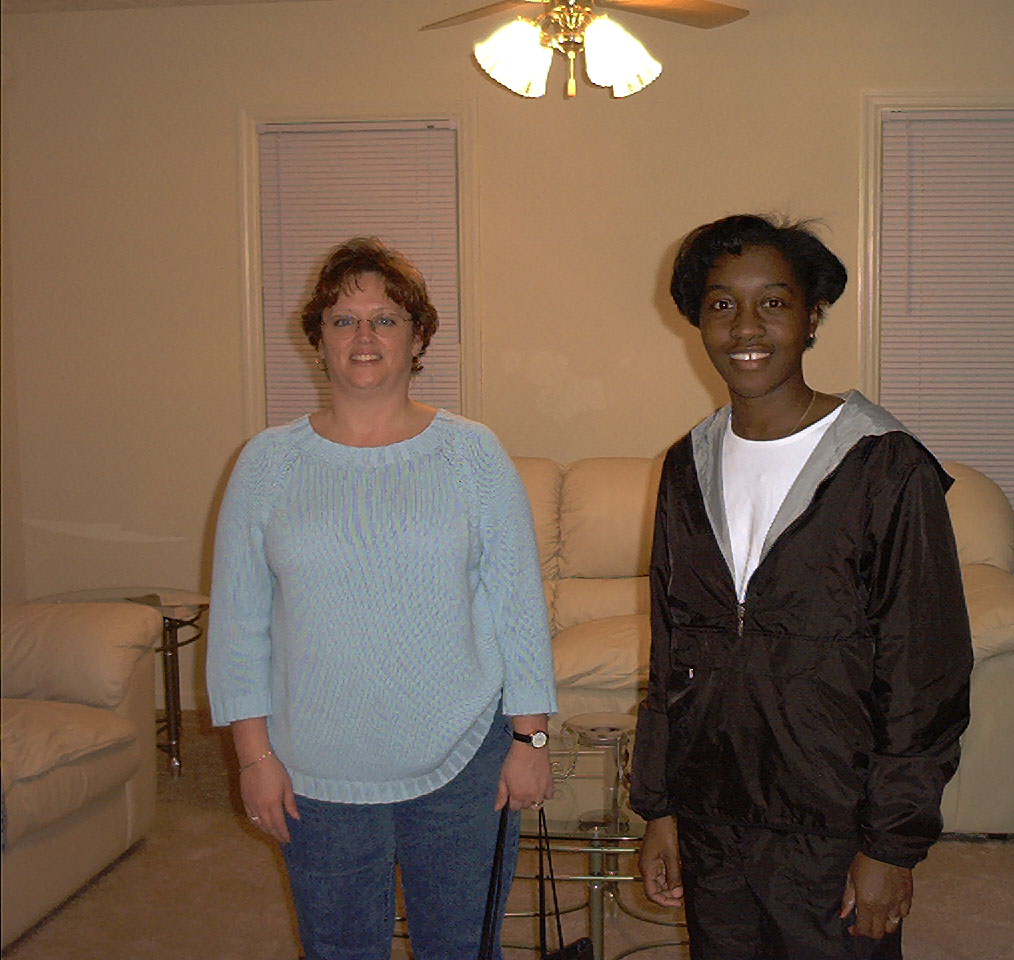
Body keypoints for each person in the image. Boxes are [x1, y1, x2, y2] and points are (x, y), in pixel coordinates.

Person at [630, 215, 973, 960]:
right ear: (698, 321)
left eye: (774, 303)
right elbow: (669, 650)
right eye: (723, 304)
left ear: (812, 316)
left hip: (833, 823)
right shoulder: (686, 467)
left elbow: (925, 673)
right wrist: (660, 807)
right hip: (713, 817)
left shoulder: (885, 465)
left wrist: (891, 846)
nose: (746, 327)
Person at [207, 237, 557, 960]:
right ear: (318, 339)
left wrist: (531, 740)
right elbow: (240, 625)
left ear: (418, 337)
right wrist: (253, 757)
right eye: (343, 319)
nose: (363, 336)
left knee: (461, 950)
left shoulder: (472, 453)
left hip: (465, 761)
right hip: (314, 772)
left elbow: (518, 605)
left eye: (386, 319)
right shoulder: (267, 462)